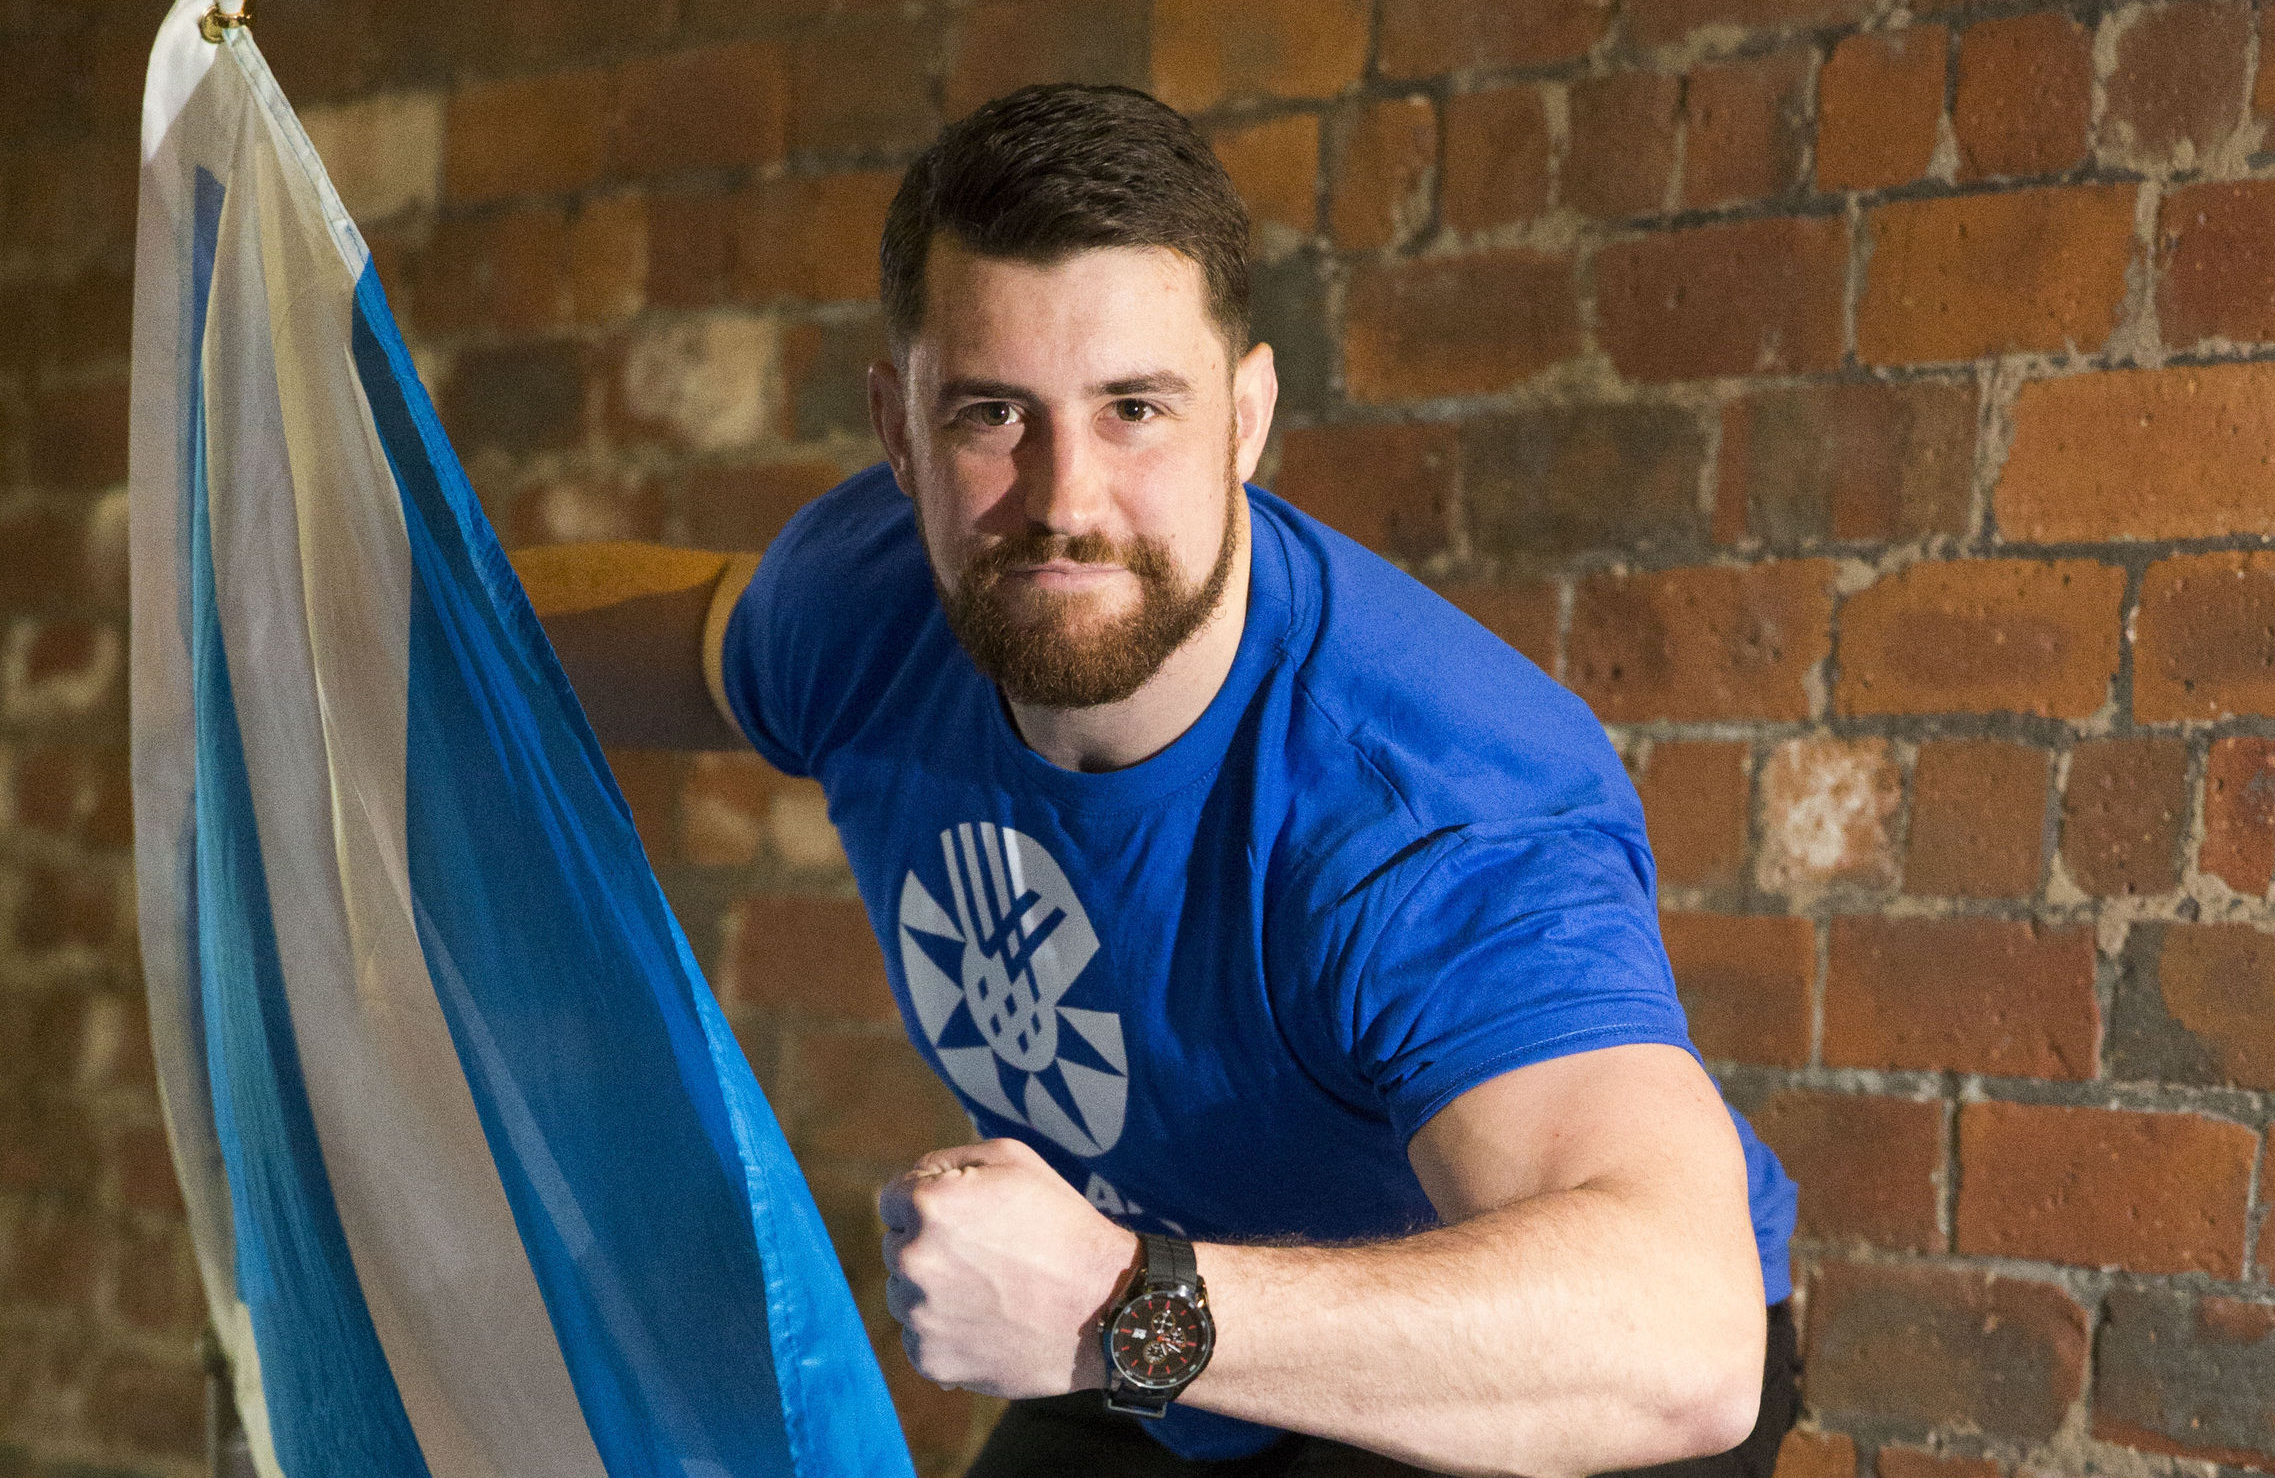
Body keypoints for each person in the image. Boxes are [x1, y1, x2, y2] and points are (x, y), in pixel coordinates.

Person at [515, 83, 1800, 1478]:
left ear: (1244, 416)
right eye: (995, 415)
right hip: (1152, 1318)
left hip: (1508, 1374)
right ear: (898, 428)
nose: (1065, 499)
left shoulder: (1414, 800)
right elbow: (586, 642)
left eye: (1136, 408)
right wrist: (313, 605)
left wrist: (1127, 1303)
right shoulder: (866, 606)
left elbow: (1686, 1340)